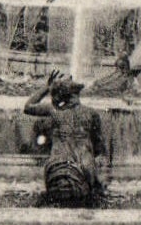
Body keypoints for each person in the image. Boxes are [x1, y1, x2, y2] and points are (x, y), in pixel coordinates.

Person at [26, 75, 106, 208]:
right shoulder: (92, 114)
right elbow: (99, 149)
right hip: (84, 171)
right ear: (76, 93)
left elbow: (28, 106)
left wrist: (47, 87)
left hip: (55, 169)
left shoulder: (54, 111)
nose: (71, 76)